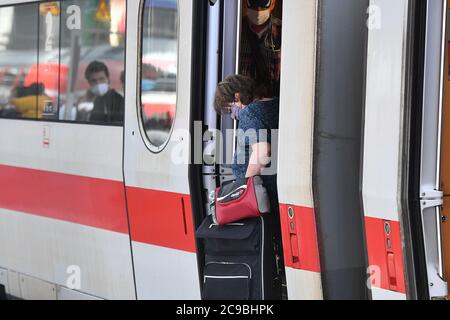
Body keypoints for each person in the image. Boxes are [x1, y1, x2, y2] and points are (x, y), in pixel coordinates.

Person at [214, 74, 279, 215]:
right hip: (276, 185)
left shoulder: (250, 112)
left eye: (231, 107)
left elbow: (262, 151)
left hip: (262, 193)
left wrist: (244, 188)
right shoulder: (276, 103)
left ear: (237, 96)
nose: (233, 113)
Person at [240, 0, 282, 97]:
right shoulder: (236, 30)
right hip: (243, 99)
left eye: (263, 5)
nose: (258, 10)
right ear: (246, 4)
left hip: (271, 101)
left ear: (272, 4)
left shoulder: (282, 32)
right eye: (254, 4)